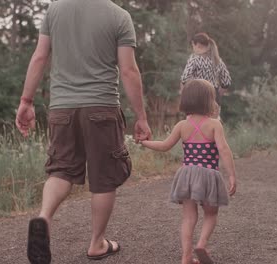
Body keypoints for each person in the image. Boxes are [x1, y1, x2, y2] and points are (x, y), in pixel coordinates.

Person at [15, 1, 151, 263]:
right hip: (102, 107)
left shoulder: (54, 10)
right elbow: (128, 70)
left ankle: (43, 217)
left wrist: (26, 101)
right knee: (104, 177)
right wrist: (141, 117)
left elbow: (40, 56)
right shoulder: (119, 16)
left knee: (61, 170)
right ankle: (97, 243)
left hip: (62, 108)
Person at [141, 79, 236, 264]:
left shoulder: (182, 125)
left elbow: (164, 146)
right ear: (209, 101)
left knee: (188, 217)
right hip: (208, 174)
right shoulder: (215, 125)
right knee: (211, 213)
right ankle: (201, 243)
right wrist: (232, 174)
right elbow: (224, 149)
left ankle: (186, 257)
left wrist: (143, 142)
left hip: (187, 175)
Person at [180, 33, 232, 118]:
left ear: (196, 44)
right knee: (213, 126)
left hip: (197, 97)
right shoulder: (218, 60)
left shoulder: (194, 59)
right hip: (214, 98)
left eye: (193, 46)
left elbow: (185, 79)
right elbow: (226, 82)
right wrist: (216, 93)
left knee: (195, 126)